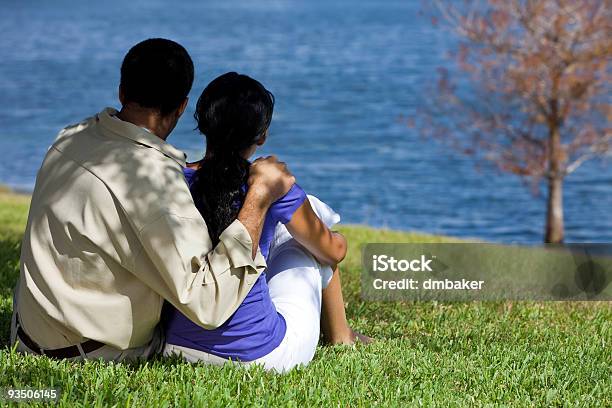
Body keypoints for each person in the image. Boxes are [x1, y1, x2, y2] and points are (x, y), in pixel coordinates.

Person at [10, 39, 294, 361]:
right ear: (183, 107)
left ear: (121, 92)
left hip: (29, 334)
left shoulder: (71, 137)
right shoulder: (153, 185)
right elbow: (208, 303)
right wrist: (258, 197)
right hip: (89, 353)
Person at [163, 72, 371, 372]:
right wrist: (337, 239)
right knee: (317, 240)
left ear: (202, 124)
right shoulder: (271, 185)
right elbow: (333, 253)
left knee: (291, 225)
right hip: (259, 356)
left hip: (179, 348)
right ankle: (342, 336)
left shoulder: (174, 178)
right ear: (262, 136)